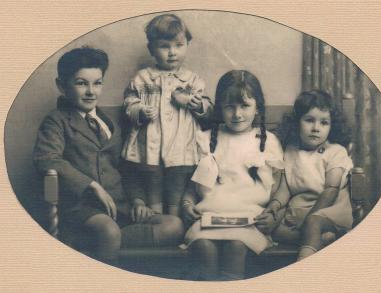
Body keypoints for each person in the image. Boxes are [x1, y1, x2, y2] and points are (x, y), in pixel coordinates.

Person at [33, 47, 184, 266]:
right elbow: (47, 158)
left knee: (174, 225)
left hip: (119, 208)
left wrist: (138, 200)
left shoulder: (109, 120)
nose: (91, 91)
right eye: (81, 83)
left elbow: (125, 166)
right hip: (80, 210)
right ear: (62, 86)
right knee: (108, 230)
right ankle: (104, 250)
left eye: (97, 83)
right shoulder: (56, 121)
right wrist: (92, 185)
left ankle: (99, 243)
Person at [181, 70, 284, 281]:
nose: (237, 114)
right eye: (230, 107)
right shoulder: (206, 138)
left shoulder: (268, 141)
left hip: (250, 222)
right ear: (220, 107)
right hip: (208, 220)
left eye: (245, 106)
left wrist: (274, 214)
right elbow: (193, 186)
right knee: (204, 248)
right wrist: (187, 203)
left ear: (257, 108)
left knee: (236, 247)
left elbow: (280, 188)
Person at [121, 14, 213, 217]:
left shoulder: (192, 80)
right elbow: (129, 103)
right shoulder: (143, 78)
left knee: (177, 190)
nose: (172, 52)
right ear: (151, 49)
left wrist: (199, 105)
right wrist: (140, 110)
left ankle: (176, 224)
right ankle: (159, 226)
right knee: (152, 188)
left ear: (187, 44)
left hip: (182, 146)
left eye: (179, 45)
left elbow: (207, 109)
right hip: (149, 146)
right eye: (164, 46)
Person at [264, 90, 353, 261]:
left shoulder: (335, 152)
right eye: (309, 120)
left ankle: (303, 263)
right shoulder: (290, 150)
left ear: (332, 126)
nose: (315, 128)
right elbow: (286, 187)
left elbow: (331, 190)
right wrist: (275, 203)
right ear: (297, 122)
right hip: (299, 207)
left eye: (324, 123)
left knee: (313, 223)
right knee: (274, 230)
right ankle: (320, 238)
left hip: (329, 207)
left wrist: (310, 218)